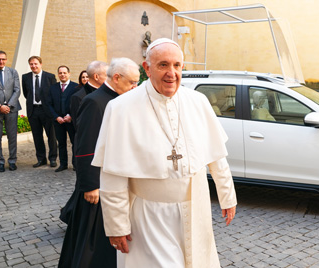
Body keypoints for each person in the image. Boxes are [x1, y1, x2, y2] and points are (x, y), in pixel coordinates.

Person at [92, 38, 237, 268]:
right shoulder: (121, 108)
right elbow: (113, 174)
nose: (172, 73)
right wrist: (116, 225)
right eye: (163, 65)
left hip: (195, 208)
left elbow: (216, 154)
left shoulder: (198, 102)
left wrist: (227, 196)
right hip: (150, 216)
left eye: (177, 65)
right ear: (147, 68)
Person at [58, 58, 139, 268]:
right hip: (98, 185)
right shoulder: (95, 101)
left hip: (115, 180)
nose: (134, 87)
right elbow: (84, 146)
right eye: (132, 82)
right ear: (117, 78)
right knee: (92, 242)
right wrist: (90, 185)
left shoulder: (121, 99)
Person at [22, 56, 58, 168]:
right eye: (31, 64)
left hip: (46, 110)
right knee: (37, 136)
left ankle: (52, 159)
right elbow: (25, 93)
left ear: (41, 64)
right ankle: (41, 159)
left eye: (35, 64)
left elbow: (54, 94)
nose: (33, 66)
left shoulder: (50, 77)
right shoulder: (25, 77)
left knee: (51, 136)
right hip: (33, 110)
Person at [45, 65, 78, 172]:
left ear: (69, 74)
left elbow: (77, 105)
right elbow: (49, 104)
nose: (62, 75)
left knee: (75, 142)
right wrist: (56, 117)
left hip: (71, 120)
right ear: (58, 74)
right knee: (61, 143)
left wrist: (70, 116)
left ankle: (75, 164)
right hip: (58, 121)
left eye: (64, 73)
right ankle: (63, 164)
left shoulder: (76, 87)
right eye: (60, 73)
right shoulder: (53, 88)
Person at [70, 61, 108, 131]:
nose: (109, 78)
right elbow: (80, 127)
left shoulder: (107, 93)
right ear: (96, 76)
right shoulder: (78, 97)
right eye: (107, 75)